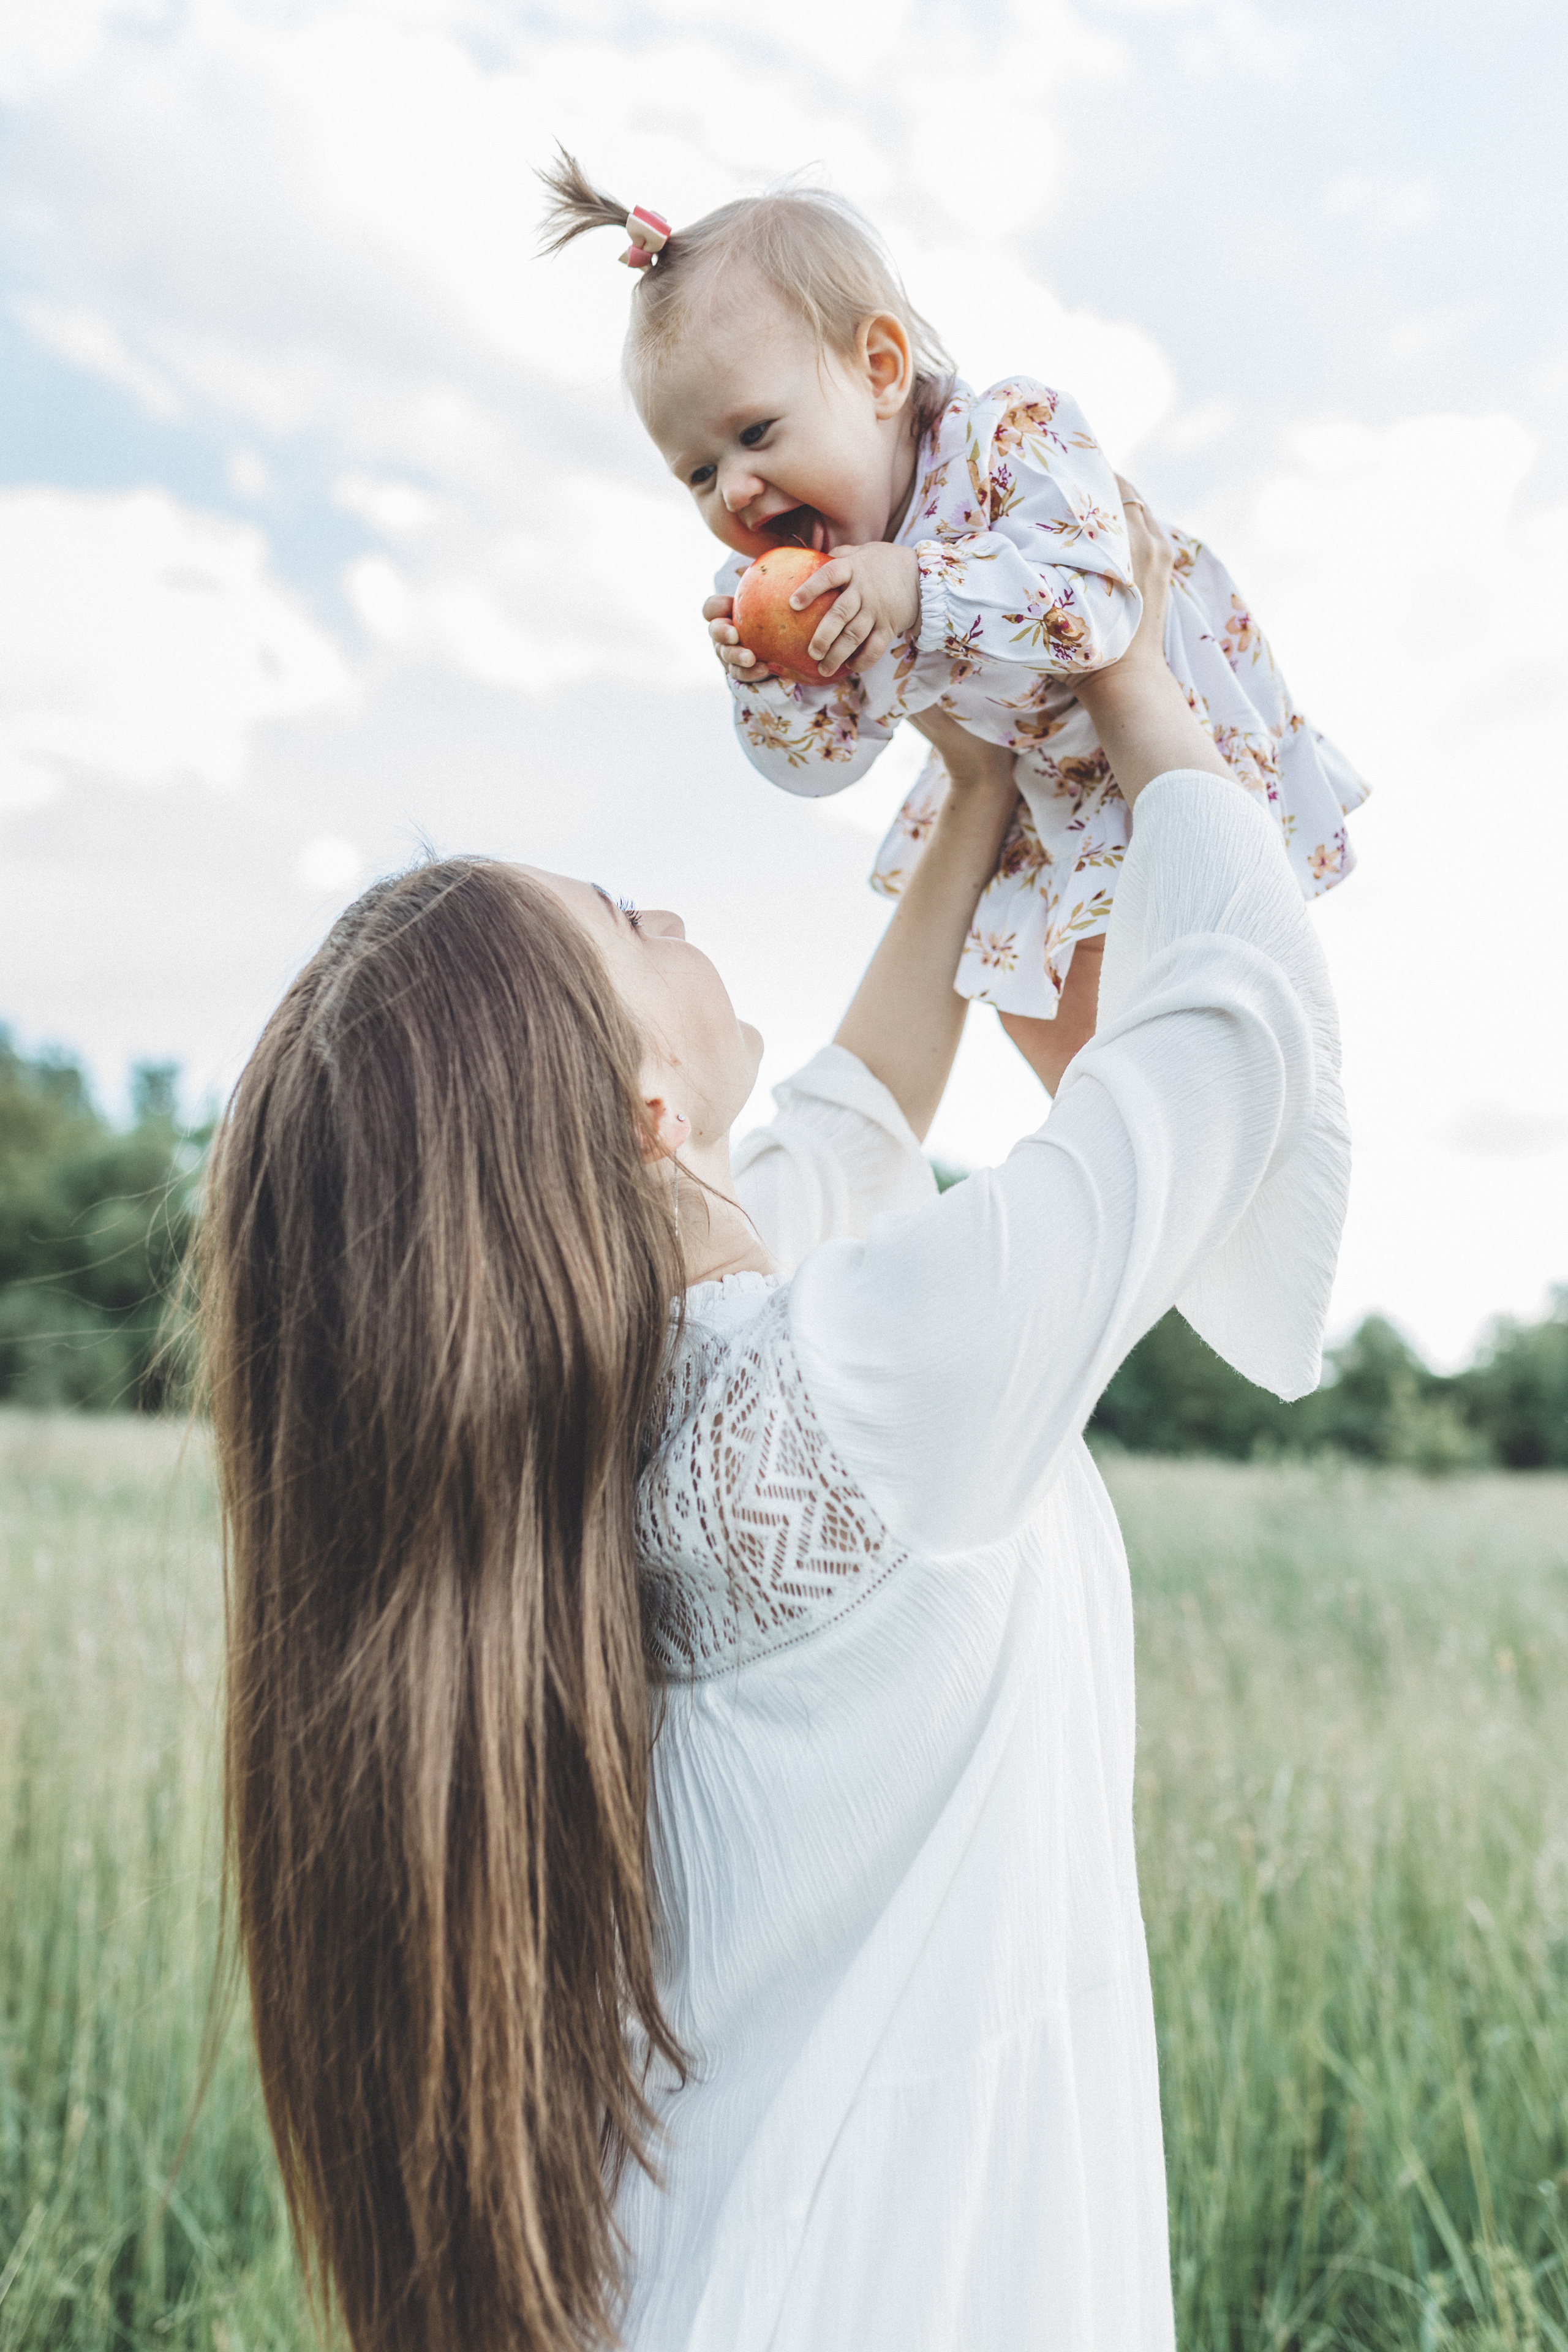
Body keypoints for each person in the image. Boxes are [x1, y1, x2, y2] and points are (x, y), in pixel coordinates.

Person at [200, 502, 1348, 2352]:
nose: (668, 912)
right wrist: (1133, 668)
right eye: (622, 920)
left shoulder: (613, 1420)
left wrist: (976, 789)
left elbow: (851, 1121)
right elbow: (1228, 1043)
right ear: (644, 1112)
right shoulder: (841, 1389)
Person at [537, 153, 1367, 1094]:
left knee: (1182, 975)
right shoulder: (802, 579)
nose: (734, 488)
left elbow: (1101, 610)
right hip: (1038, 793)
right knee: (1033, 1004)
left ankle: (1218, 1123)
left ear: (880, 371)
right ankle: (1138, 1153)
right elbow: (822, 768)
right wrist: (774, 687)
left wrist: (919, 585)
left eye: (755, 433)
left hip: (1152, 734)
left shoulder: (1005, 441)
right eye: (698, 473)